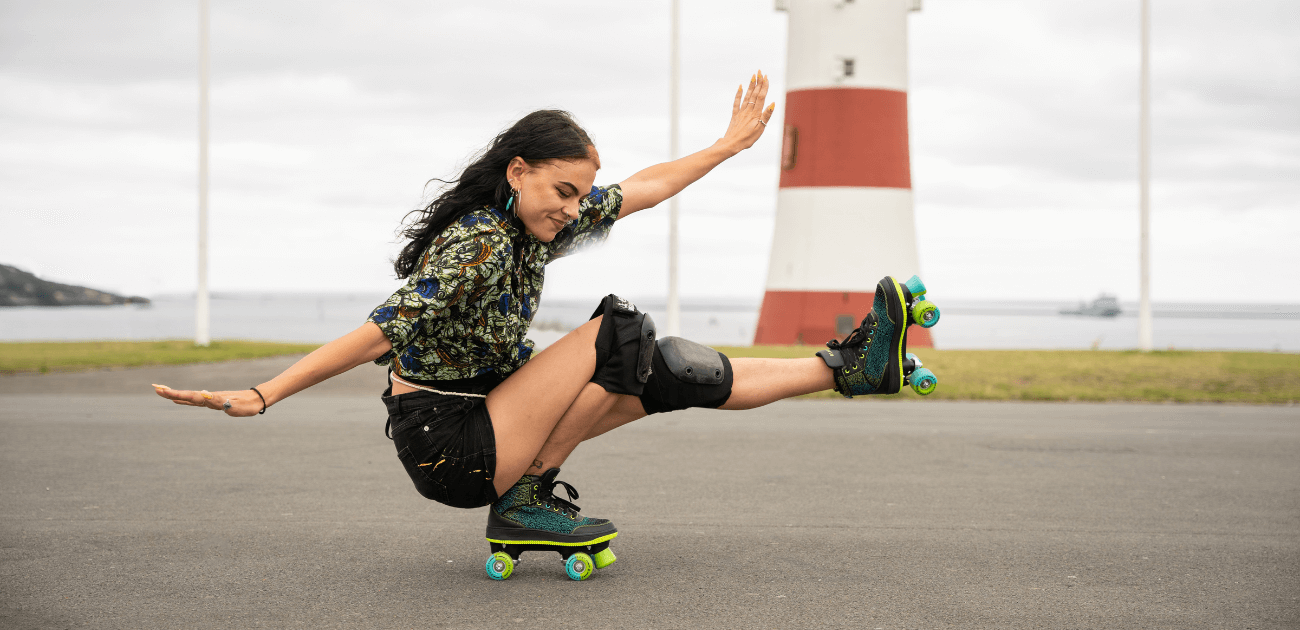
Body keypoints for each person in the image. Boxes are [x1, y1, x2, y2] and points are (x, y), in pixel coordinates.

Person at [153, 71, 934, 579]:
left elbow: (645, 189)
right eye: (560, 190)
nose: (570, 210)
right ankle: (524, 498)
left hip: (493, 414)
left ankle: (849, 367)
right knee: (618, 331)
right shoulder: (478, 244)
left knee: (672, 368)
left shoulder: (535, 223)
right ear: (518, 170)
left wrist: (727, 147)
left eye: (579, 195)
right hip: (452, 444)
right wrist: (265, 392)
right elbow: (374, 333)